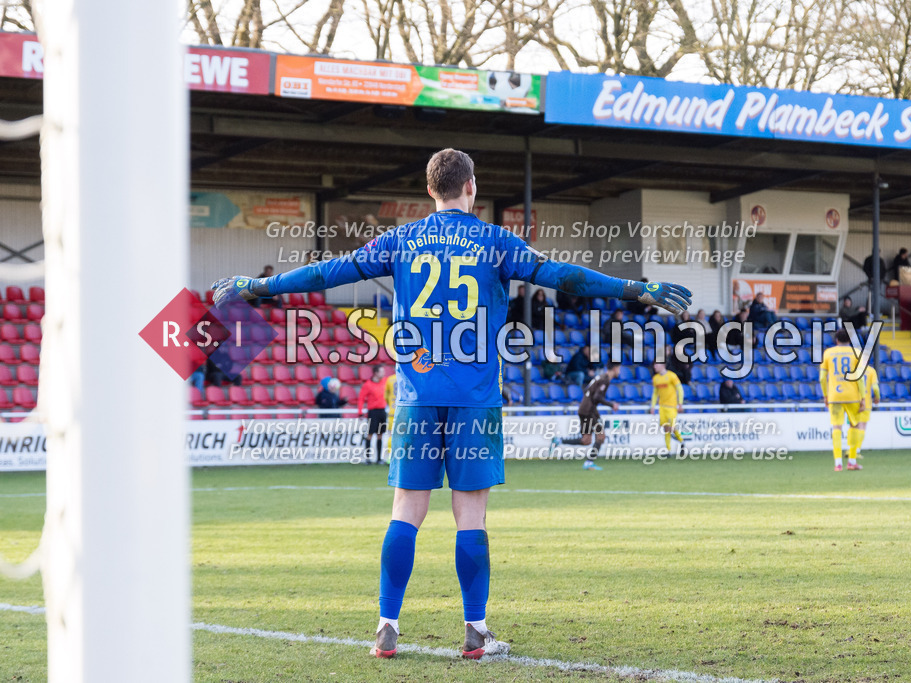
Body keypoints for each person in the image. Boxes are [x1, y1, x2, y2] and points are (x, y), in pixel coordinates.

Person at [210, 148, 691, 660]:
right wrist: (638, 289)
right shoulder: (495, 241)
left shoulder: (402, 239)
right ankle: (475, 630)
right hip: (474, 400)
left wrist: (258, 286)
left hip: (416, 397)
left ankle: (386, 625)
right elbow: (563, 276)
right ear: (472, 187)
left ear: (430, 190)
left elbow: (327, 274)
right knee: (471, 516)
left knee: (405, 511)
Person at [550, 363, 623, 470]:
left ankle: (558, 441)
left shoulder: (600, 377)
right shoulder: (605, 379)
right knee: (601, 436)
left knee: (586, 440)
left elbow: (587, 391)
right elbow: (597, 396)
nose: (619, 371)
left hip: (584, 409)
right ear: (615, 368)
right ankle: (589, 463)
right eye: (619, 368)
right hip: (589, 411)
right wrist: (612, 405)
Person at [820, 328, 868, 471]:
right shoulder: (857, 353)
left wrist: (825, 395)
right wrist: (863, 397)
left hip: (834, 395)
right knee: (855, 426)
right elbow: (859, 379)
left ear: (836, 340)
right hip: (852, 396)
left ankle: (838, 464)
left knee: (836, 428)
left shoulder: (828, 353)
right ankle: (852, 462)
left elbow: (822, 378)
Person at [650, 362, 685, 453]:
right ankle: (668, 450)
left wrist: (680, 403)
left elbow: (680, 389)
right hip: (662, 407)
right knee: (666, 428)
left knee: (672, 427)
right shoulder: (655, 378)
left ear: (663, 365)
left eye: (656, 365)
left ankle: (681, 441)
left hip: (672, 406)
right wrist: (653, 406)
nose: (655, 367)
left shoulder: (672, 376)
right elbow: (655, 393)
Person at [357, 366, 389, 465]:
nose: (384, 373)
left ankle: (379, 459)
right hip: (373, 412)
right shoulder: (368, 385)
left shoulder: (385, 382)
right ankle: (367, 458)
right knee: (370, 435)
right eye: (382, 371)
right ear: (375, 373)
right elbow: (361, 398)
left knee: (380, 435)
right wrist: (360, 412)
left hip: (382, 411)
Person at [384, 370, 397, 453]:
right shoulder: (406, 378)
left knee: (391, 435)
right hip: (404, 411)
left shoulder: (389, 379)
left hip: (392, 412)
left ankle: (390, 456)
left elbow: (385, 396)